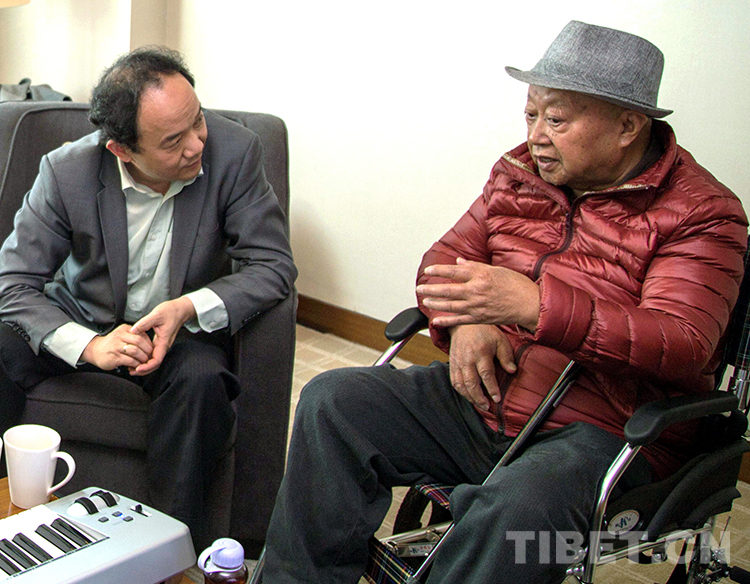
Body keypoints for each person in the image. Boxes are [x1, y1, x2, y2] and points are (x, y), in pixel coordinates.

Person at [259, 21, 747, 584]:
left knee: (519, 510)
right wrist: (466, 321)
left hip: (604, 435)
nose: (536, 136)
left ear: (627, 126)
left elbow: (682, 342)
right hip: (489, 399)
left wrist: (535, 306)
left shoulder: (702, 213)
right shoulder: (518, 175)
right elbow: (444, 262)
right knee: (332, 401)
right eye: (530, 114)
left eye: (556, 120)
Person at [0, 47, 297, 548]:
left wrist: (188, 308)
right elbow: (13, 282)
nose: (197, 145)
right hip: (84, 324)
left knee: (203, 381)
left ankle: (167, 550)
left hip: (180, 338)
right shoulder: (67, 171)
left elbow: (273, 265)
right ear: (121, 149)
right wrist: (89, 346)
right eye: (173, 140)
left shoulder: (236, 153)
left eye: (197, 120)